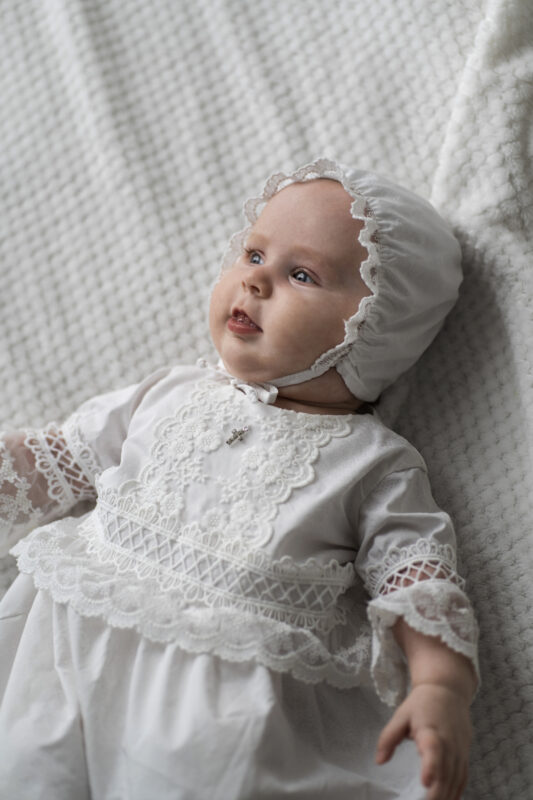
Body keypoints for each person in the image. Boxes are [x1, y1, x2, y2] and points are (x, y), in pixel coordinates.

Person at [0, 157, 479, 800]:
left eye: (301, 274)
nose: (254, 280)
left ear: (377, 327)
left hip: (218, 707)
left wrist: (438, 686)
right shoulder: (170, 394)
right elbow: (57, 457)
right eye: (253, 252)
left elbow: (418, 577)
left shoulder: (374, 464)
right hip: (64, 649)